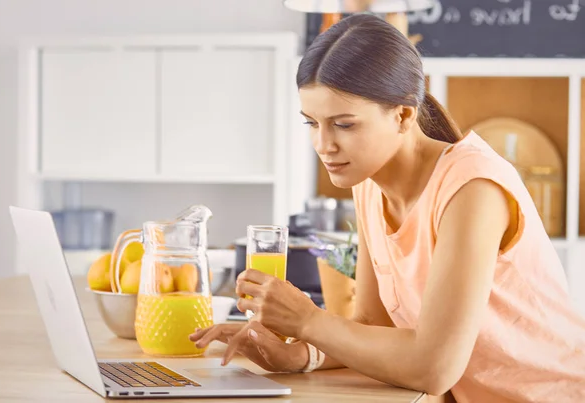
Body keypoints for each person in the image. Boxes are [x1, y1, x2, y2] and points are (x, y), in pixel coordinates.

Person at [190, 14, 585, 402]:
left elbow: (435, 368)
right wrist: (300, 353)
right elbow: (371, 325)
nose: (323, 145)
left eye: (344, 125)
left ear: (402, 115)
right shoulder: (369, 185)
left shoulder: (473, 187)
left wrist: (308, 321)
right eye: (312, 122)